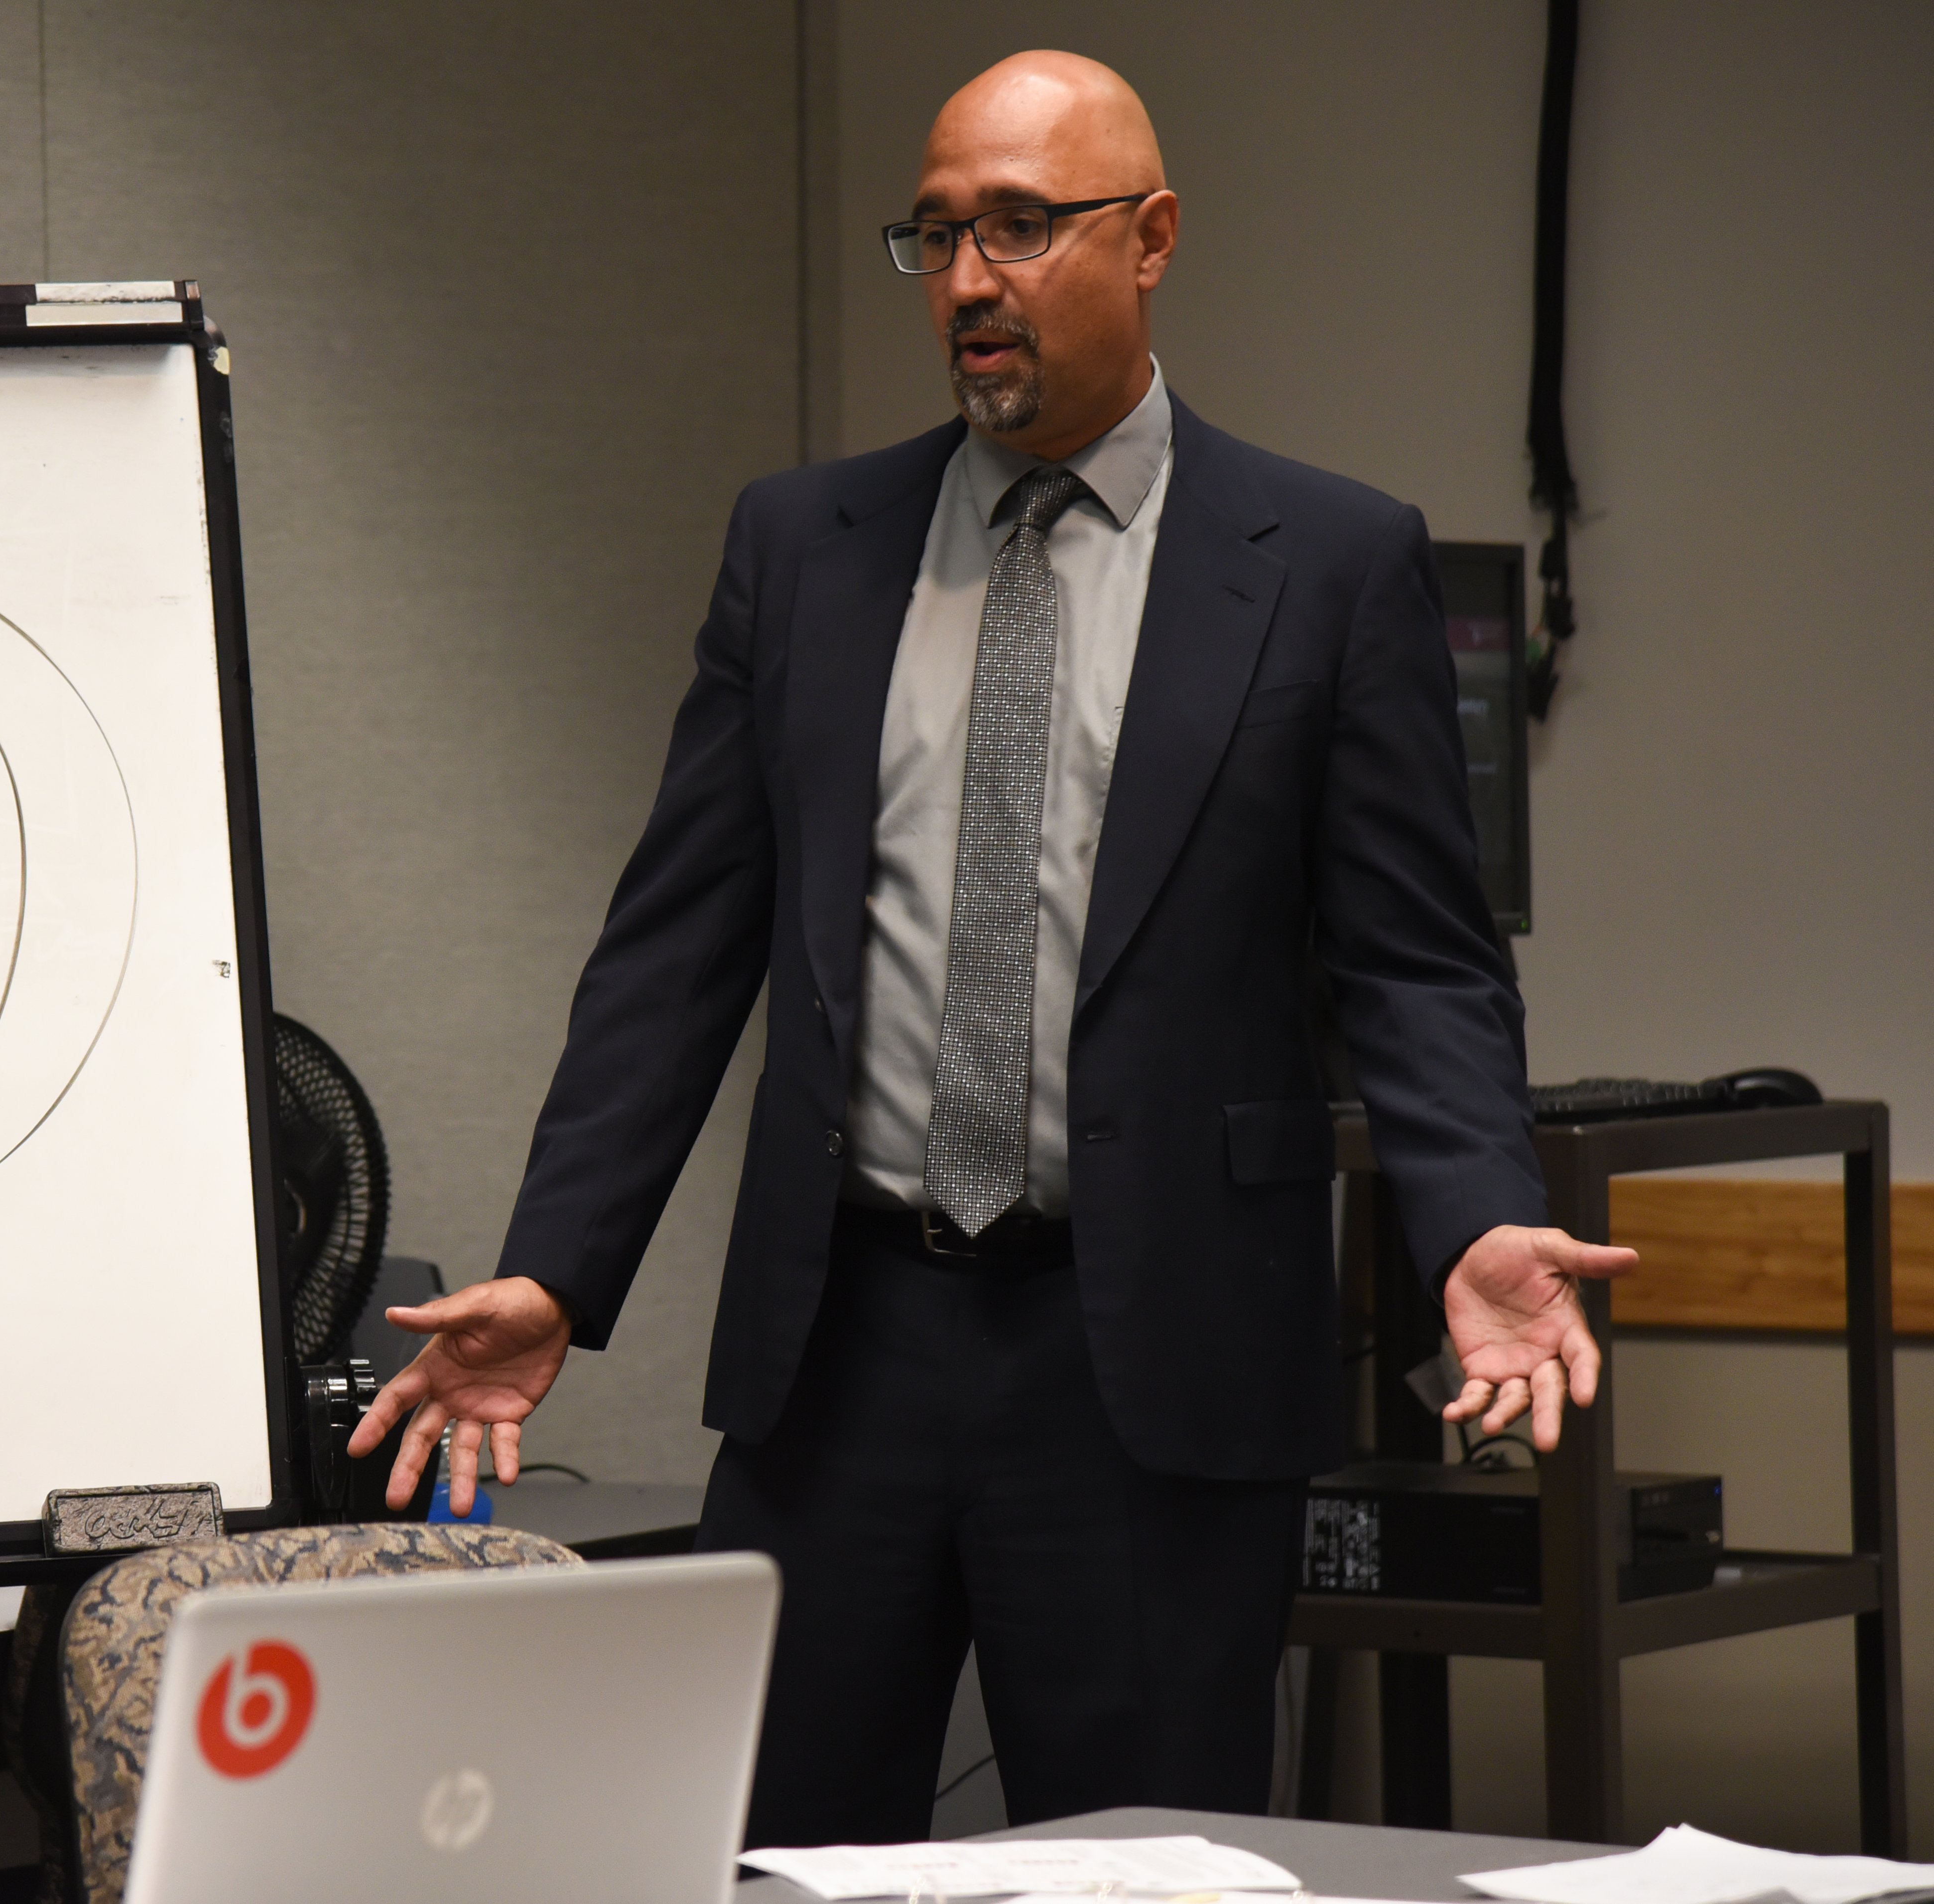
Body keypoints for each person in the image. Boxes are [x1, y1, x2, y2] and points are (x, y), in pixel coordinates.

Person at [351, 50, 1636, 1842]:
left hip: (1153, 1360)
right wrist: (559, 1265)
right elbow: (675, 945)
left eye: (1021, 227)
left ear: (1152, 238)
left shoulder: (1330, 561)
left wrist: (1474, 1214)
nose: (968, 279)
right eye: (938, 234)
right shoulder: (802, 545)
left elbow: (1418, 959)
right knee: (778, 1857)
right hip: (843, 1349)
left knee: (1149, 1868)